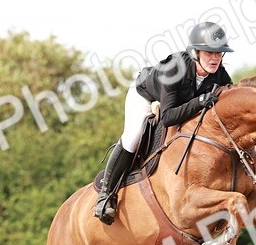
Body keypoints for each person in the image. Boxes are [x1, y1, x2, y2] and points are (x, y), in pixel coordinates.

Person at [93, 21, 235, 224]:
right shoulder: (173, 69)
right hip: (145, 95)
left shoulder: (220, 75)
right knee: (133, 136)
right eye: (209, 53)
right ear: (195, 53)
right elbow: (168, 118)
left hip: (175, 102)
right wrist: (200, 101)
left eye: (219, 53)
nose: (215, 58)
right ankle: (105, 195)